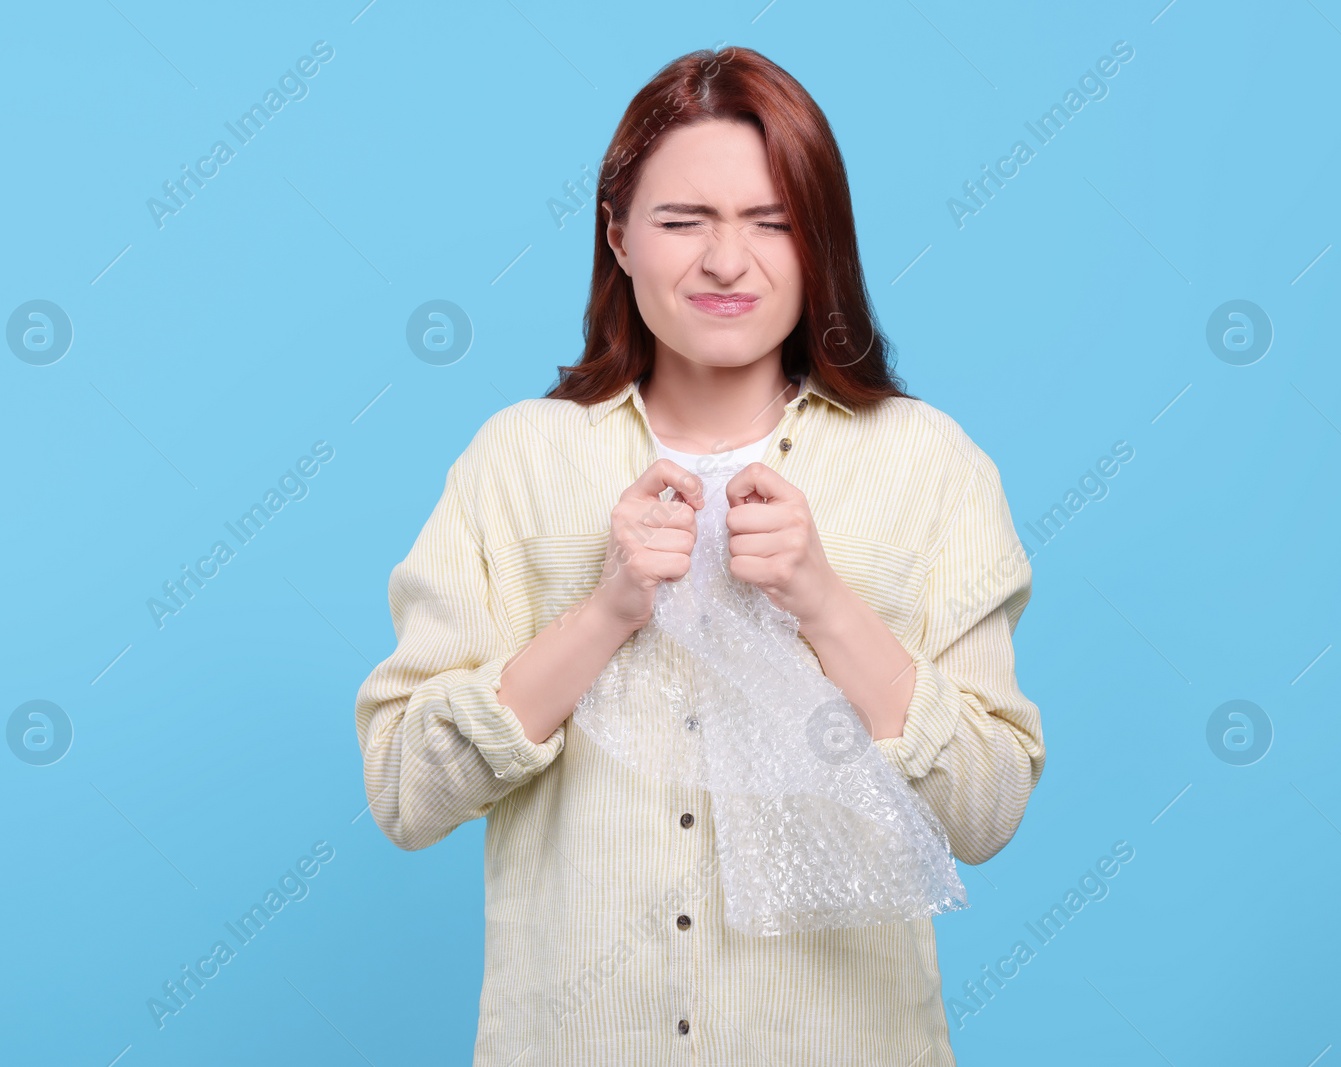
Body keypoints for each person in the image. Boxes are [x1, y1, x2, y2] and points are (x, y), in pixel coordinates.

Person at [354, 44, 1045, 1066]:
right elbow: (406, 791)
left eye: (773, 224)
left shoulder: (927, 463)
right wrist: (602, 613)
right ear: (619, 235)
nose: (727, 261)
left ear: (822, 245)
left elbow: (986, 808)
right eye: (683, 221)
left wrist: (824, 602)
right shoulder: (519, 459)